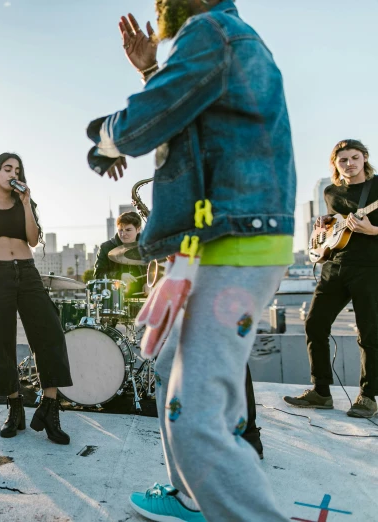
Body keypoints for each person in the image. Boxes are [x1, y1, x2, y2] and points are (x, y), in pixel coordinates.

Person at [85, 2, 295, 521]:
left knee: (196, 418)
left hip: (231, 245)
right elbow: (186, 115)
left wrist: (104, 139)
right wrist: (151, 70)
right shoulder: (221, 37)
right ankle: (188, 498)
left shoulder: (211, 30)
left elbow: (147, 120)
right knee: (165, 365)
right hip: (209, 243)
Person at [0, 152, 73, 444]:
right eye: (7, 167)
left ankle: (50, 408)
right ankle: (15, 409)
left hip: (28, 272)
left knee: (51, 333)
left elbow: (33, 239)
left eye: (17, 169)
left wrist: (26, 204)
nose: (12, 172)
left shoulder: (25, 202)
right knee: (1, 343)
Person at [284, 139, 378, 418]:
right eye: (343, 160)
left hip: (370, 268)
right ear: (335, 164)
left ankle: (368, 396)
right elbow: (334, 221)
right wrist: (324, 228)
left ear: (364, 159)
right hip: (334, 266)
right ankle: (321, 392)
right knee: (314, 323)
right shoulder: (331, 192)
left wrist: (372, 230)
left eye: (354, 158)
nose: (349, 163)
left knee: (369, 333)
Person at [94, 211, 148, 296]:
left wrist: (149, 283)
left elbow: (156, 271)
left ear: (138, 229)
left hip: (142, 299)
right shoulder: (106, 247)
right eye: (120, 230)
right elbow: (98, 275)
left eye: (128, 230)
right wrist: (119, 276)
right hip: (116, 300)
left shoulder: (146, 246)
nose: (123, 234)